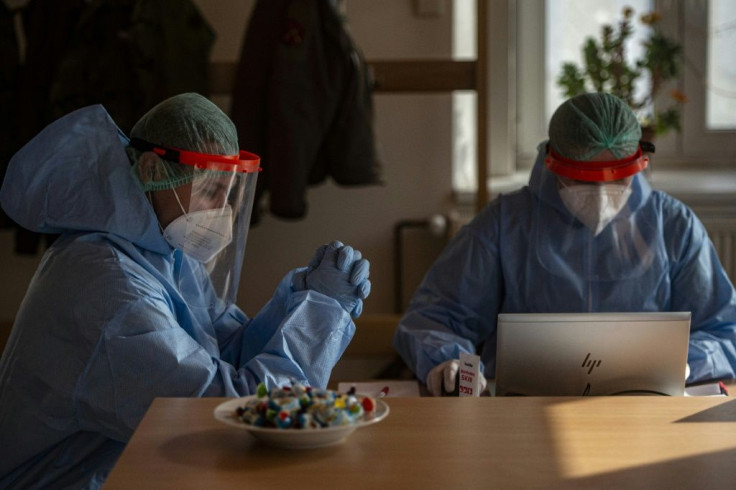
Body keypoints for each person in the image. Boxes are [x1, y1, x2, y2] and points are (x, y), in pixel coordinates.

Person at [0, 93, 371, 488]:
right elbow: (234, 414)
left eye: (229, 194)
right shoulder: (108, 290)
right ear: (153, 170)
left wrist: (299, 300)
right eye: (211, 189)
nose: (222, 211)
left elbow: (223, 351)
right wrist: (320, 315)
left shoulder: (161, 253)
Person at [394, 92, 736, 396]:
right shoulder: (506, 224)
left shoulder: (673, 225)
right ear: (552, 164)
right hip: (523, 413)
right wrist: (452, 363)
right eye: (582, 179)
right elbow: (435, 318)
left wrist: (686, 364)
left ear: (638, 165)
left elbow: (725, 329)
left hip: (643, 415)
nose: (601, 197)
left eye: (616, 179)